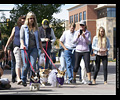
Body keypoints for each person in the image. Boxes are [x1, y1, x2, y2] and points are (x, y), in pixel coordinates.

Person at [20, 12, 43, 86]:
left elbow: (39, 39)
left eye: (33, 18)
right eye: (30, 18)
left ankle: (32, 80)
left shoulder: (36, 28)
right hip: (25, 49)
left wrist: (41, 48)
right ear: (28, 19)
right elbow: (21, 38)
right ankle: (23, 79)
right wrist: (23, 44)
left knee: (33, 65)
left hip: (34, 48)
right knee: (26, 65)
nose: (31, 19)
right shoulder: (23, 27)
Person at [4, 16, 26, 84]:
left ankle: (23, 77)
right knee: (18, 62)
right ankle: (18, 78)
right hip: (16, 47)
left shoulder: (27, 28)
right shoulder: (15, 28)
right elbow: (11, 37)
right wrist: (6, 46)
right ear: (19, 21)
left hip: (25, 48)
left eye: (24, 21)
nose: (23, 22)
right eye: (22, 21)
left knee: (24, 64)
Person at [72, 20, 92, 85]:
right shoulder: (76, 32)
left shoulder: (88, 33)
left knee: (87, 65)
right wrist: (78, 36)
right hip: (78, 50)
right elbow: (74, 42)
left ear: (85, 26)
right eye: (80, 25)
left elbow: (89, 42)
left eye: (83, 25)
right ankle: (74, 78)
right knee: (76, 65)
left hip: (86, 51)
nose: (81, 26)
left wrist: (84, 37)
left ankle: (89, 80)